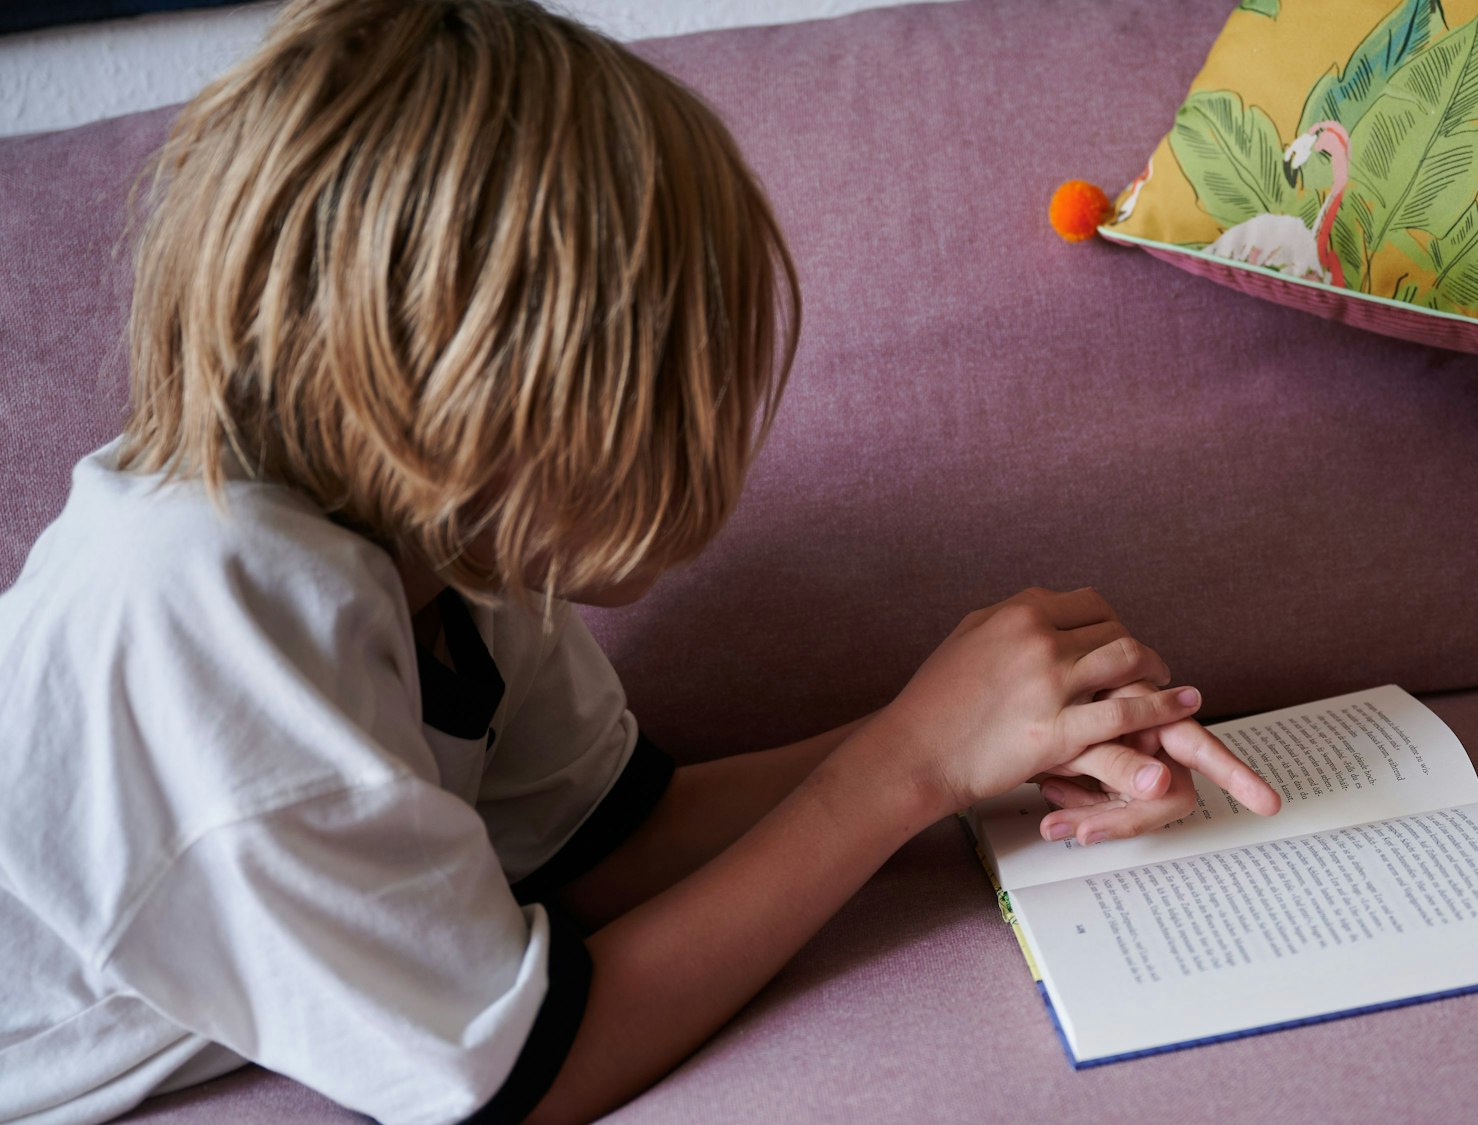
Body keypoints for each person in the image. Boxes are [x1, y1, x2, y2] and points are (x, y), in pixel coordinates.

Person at [0, 2, 1283, 1123]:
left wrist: (973, 752)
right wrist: (914, 763)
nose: (721, 427)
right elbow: (519, 1077)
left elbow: (608, 847)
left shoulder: (446, 540)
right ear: (476, 393)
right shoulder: (204, 609)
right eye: (680, 382)